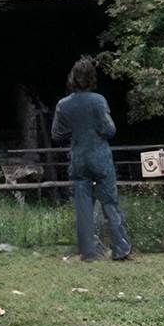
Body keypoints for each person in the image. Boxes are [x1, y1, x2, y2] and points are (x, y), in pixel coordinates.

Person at [50, 58, 132, 262]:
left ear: (73, 79)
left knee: (83, 207)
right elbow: (110, 130)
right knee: (110, 203)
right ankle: (120, 248)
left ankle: (89, 252)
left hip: (79, 158)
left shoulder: (63, 105)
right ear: (91, 79)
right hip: (100, 157)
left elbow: (57, 134)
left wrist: (75, 131)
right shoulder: (98, 100)